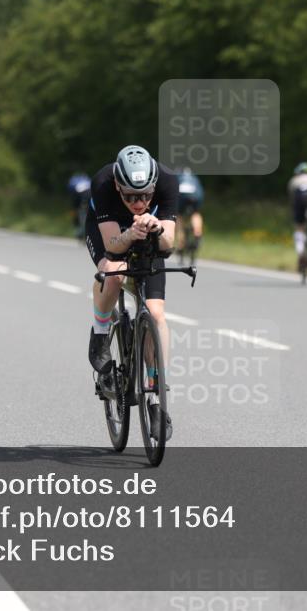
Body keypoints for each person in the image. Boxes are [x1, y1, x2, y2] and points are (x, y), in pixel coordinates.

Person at [85, 145, 178, 433]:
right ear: (117, 185)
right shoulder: (102, 183)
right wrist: (129, 233)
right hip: (110, 234)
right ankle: (101, 335)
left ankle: (157, 388)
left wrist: (158, 229)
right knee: (112, 274)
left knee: (156, 313)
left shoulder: (168, 181)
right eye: (130, 196)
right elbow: (113, 246)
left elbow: (169, 245)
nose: (139, 203)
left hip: (148, 237)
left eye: (146, 196)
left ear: (154, 186)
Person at [176, 167, 204, 254]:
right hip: (196, 196)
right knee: (195, 213)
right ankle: (197, 234)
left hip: (181, 196)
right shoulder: (193, 176)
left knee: (178, 216)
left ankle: (181, 244)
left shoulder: (177, 175)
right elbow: (200, 190)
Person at [67, 172, 92, 236]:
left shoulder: (73, 182)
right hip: (90, 194)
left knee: (75, 210)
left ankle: (78, 228)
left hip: (80, 196)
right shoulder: (86, 180)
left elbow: (72, 196)